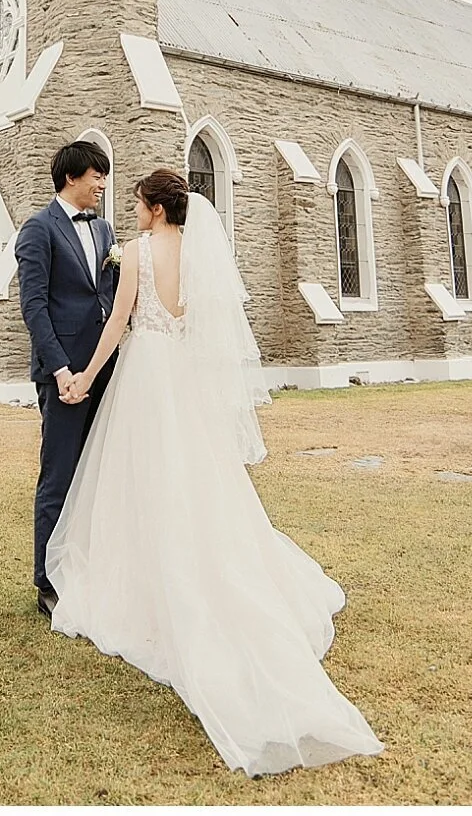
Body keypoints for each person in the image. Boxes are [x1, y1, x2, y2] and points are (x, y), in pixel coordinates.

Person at [46, 168, 383, 778]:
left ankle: (146, 576)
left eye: (141, 204)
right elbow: (202, 327)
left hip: (145, 376)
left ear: (152, 209)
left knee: (139, 479)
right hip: (183, 377)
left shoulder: (139, 253)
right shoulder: (198, 254)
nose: (137, 211)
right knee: (196, 482)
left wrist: (88, 375)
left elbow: (120, 323)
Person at [12, 140, 120, 619]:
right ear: (72, 177)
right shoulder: (38, 229)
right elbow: (33, 307)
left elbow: (111, 298)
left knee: (100, 474)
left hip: (107, 368)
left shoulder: (105, 229)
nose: (103, 185)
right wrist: (61, 370)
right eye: (97, 176)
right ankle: (48, 581)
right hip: (64, 374)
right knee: (60, 475)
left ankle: (90, 568)